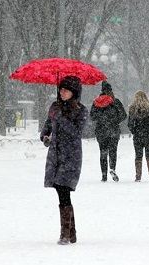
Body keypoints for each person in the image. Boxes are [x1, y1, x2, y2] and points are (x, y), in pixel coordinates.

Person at [40, 76, 88, 245]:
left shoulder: (81, 110)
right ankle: (70, 233)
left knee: (63, 188)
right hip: (56, 155)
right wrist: (45, 134)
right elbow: (48, 124)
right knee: (60, 190)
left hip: (71, 155)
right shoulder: (55, 107)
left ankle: (65, 234)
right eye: (61, 89)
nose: (62, 92)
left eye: (65, 89)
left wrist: (61, 118)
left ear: (73, 92)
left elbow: (76, 132)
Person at [90, 81, 127, 182]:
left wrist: (101, 120)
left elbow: (92, 116)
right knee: (113, 151)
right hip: (113, 130)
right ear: (110, 91)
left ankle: (103, 175)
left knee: (103, 152)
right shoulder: (115, 101)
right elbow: (124, 115)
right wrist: (115, 121)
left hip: (101, 131)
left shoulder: (96, 102)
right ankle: (112, 168)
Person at [128, 90, 149, 183]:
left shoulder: (132, 108)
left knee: (138, 156)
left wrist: (134, 131)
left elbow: (130, 124)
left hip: (138, 135)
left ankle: (138, 176)